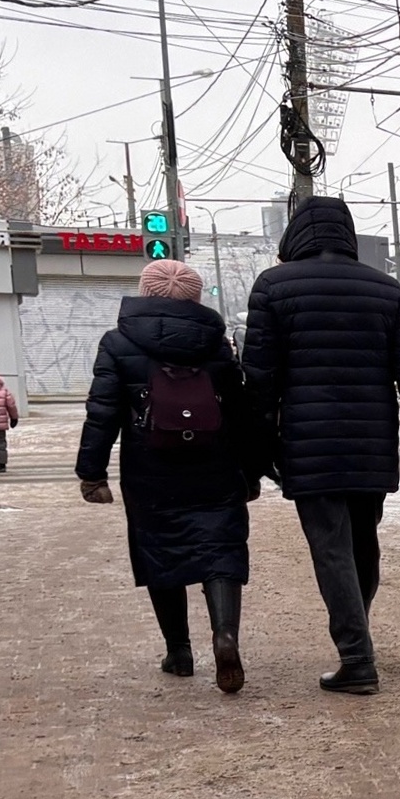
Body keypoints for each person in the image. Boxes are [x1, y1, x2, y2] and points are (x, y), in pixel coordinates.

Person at [242, 195, 400, 695]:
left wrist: (260, 448)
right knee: (363, 544)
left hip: (308, 442)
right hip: (371, 440)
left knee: (331, 549)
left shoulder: (273, 286)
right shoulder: (385, 289)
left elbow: (260, 378)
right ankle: (359, 638)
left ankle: (357, 657)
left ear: (296, 233)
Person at [76, 260, 262, 693]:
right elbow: (239, 413)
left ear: (145, 294)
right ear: (195, 298)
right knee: (221, 551)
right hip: (215, 467)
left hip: (149, 472)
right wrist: (252, 471)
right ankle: (225, 634)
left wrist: (92, 473)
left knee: (161, 554)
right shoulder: (216, 346)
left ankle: (179, 652)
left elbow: (101, 412)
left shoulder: (118, 343)